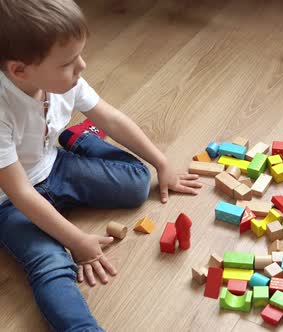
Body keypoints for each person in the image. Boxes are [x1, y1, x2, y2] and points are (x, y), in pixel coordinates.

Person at [0, 0, 201, 330]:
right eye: (68, 63)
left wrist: (161, 162)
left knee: (139, 183)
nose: (82, 65)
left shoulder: (66, 82)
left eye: (80, 55)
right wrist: (77, 241)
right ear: (19, 70)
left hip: (53, 166)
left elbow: (111, 118)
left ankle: (77, 139)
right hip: (10, 203)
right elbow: (21, 193)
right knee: (50, 263)